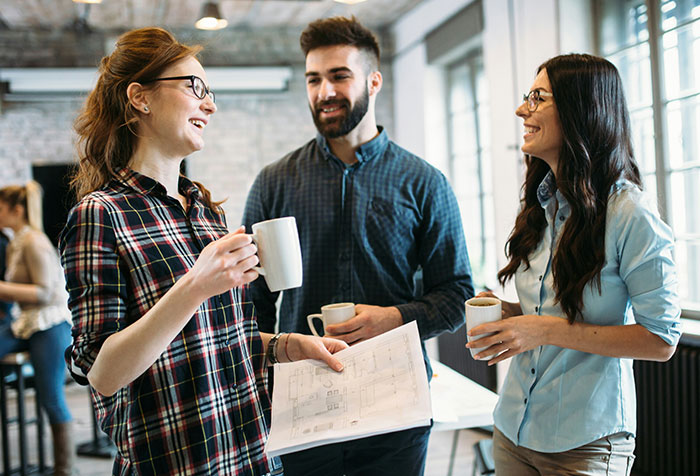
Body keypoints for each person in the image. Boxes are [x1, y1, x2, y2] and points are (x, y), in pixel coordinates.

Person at [60, 27, 347, 476]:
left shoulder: (205, 210)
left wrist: (288, 347)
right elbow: (103, 373)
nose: (210, 104)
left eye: (209, 92)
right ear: (141, 97)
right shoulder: (100, 215)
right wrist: (195, 285)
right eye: (195, 87)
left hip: (254, 458)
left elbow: (215, 341)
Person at [242, 16, 473, 476]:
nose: (324, 91)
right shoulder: (274, 183)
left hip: (397, 401)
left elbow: (457, 294)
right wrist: (259, 387)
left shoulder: (424, 182)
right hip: (302, 401)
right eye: (314, 79)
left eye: (339, 76)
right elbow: (252, 300)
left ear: (373, 80)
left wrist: (395, 318)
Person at [466, 54, 681, 475]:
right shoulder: (541, 202)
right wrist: (511, 316)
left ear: (580, 110)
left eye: (537, 97)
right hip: (513, 430)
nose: (521, 109)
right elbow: (547, 313)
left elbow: (661, 340)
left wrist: (543, 329)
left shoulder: (630, 213)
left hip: (586, 441)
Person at [0, 181, 74, 475]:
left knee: (51, 396)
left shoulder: (34, 242)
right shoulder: (17, 241)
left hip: (50, 324)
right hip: (26, 323)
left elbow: (46, 292)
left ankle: (65, 469)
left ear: (16, 210)